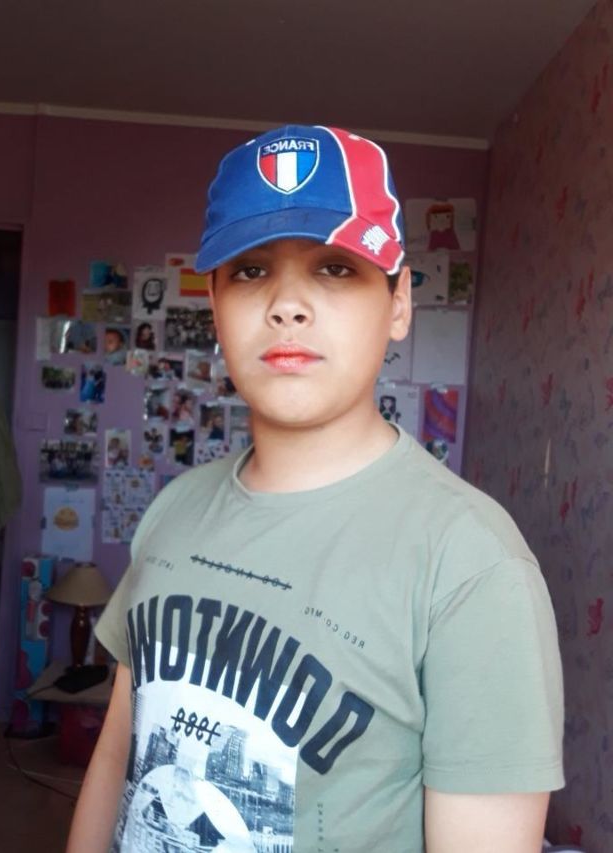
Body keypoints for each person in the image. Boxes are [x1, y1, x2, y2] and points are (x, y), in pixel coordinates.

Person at [67, 125, 564, 853]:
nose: (288, 305)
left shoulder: (472, 565)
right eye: (250, 271)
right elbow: (120, 753)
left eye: (335, 268)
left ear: (400, 303)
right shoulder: (173, 508)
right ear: (215, 305)